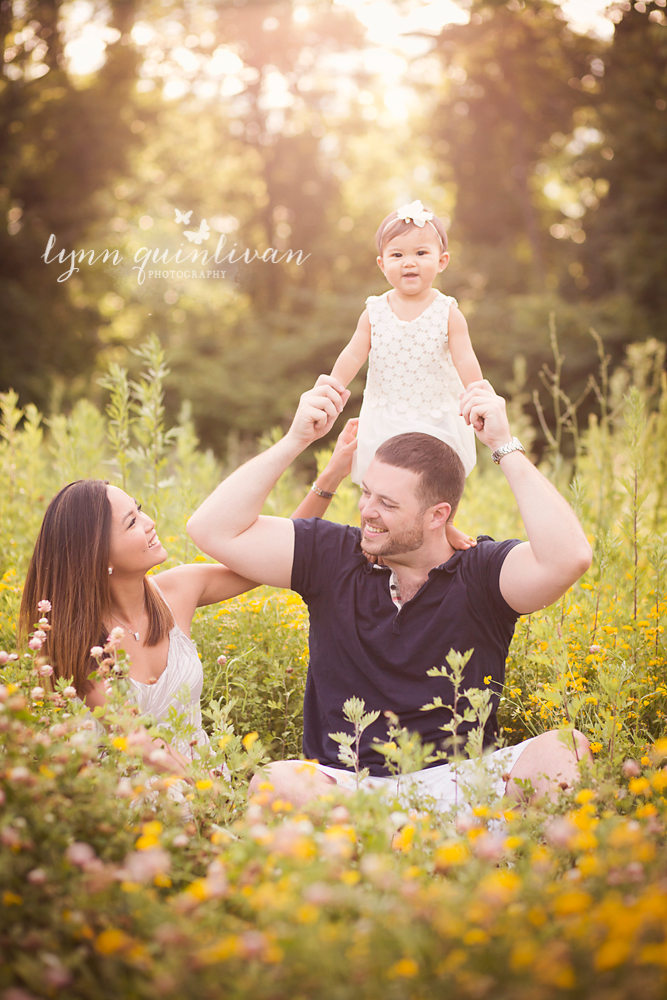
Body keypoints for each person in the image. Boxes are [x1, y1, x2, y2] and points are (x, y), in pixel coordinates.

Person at [187, 376, 593, 810]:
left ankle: (509, 864)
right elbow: (210, 529)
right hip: (351, 790)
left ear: (438, 515)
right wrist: (295, 439)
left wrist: (503, 444)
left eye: (388, 504)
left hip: (463, 786)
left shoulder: (480, 571)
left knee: (565, 748)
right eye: (366, 492)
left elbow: (568, 558)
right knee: (275, 782)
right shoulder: (333, 555)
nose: (367, 511)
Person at [18, 424, 359, 781]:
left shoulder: (179, 589)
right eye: (132, 522)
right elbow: (137, 742)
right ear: (98, 554)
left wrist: (331, 476)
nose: (150, 523)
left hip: (204, 786)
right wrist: (214, 798)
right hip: (128, 806)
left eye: (140, 509)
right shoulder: (74, 638)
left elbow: (270, 555)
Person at [329, 199, 482, 551]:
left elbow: (465, 357)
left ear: (441, 261)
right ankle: (373, 535)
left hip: (435, 411)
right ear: (383, 264)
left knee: (440, 475)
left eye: (420, 253)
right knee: (378, 478)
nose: (408, 262)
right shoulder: (374, 311)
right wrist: (334, 386)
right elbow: (354, 352)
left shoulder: (447, 312)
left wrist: (477, 393)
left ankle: (446, 526)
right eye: (397, 255)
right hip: (388, 411)